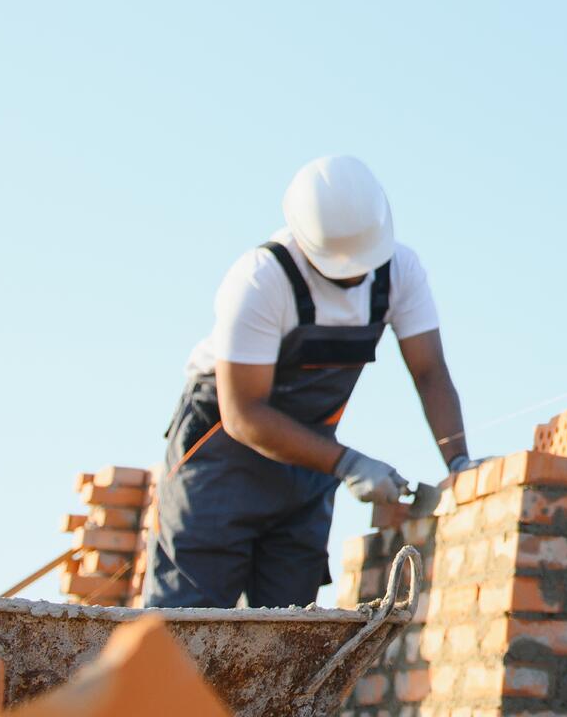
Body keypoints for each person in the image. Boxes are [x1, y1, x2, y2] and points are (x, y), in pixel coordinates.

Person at [140, 154, 473, 608]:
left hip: (306, 468)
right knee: (185, 627)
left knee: (289, 629)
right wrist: (349, 463)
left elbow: (429, 372)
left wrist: (458, 462)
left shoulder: (400, 272)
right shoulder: (262, 280)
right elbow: (243, 414)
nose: (355, 273)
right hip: (218, 465)